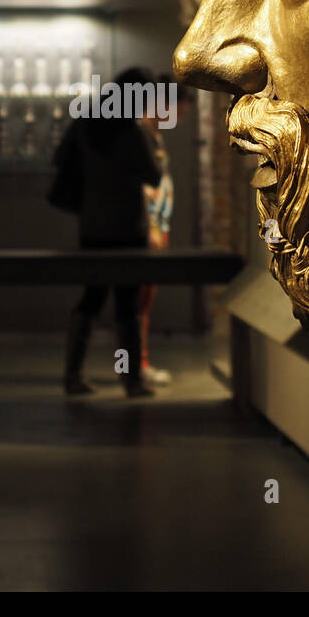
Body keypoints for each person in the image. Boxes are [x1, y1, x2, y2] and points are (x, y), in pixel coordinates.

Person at [52, 67, 162, 398]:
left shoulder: (85, 124)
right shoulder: (132, 132)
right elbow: (154, 177)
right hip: (129, 226)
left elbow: (59, 158)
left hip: (93, 225)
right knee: (127, 304)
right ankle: (130, 381)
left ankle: (72, 375)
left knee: (92, 296)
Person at [136, 75, 192, 387]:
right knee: (139, 302)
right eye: (178, 112)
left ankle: (138, 364)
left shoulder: (153, 136)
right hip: (150, 229)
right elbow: (143, 188)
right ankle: (137, 365)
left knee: (144, 301)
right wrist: (152, 225)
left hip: (157, 226)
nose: (178, 120)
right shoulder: (142, 136)